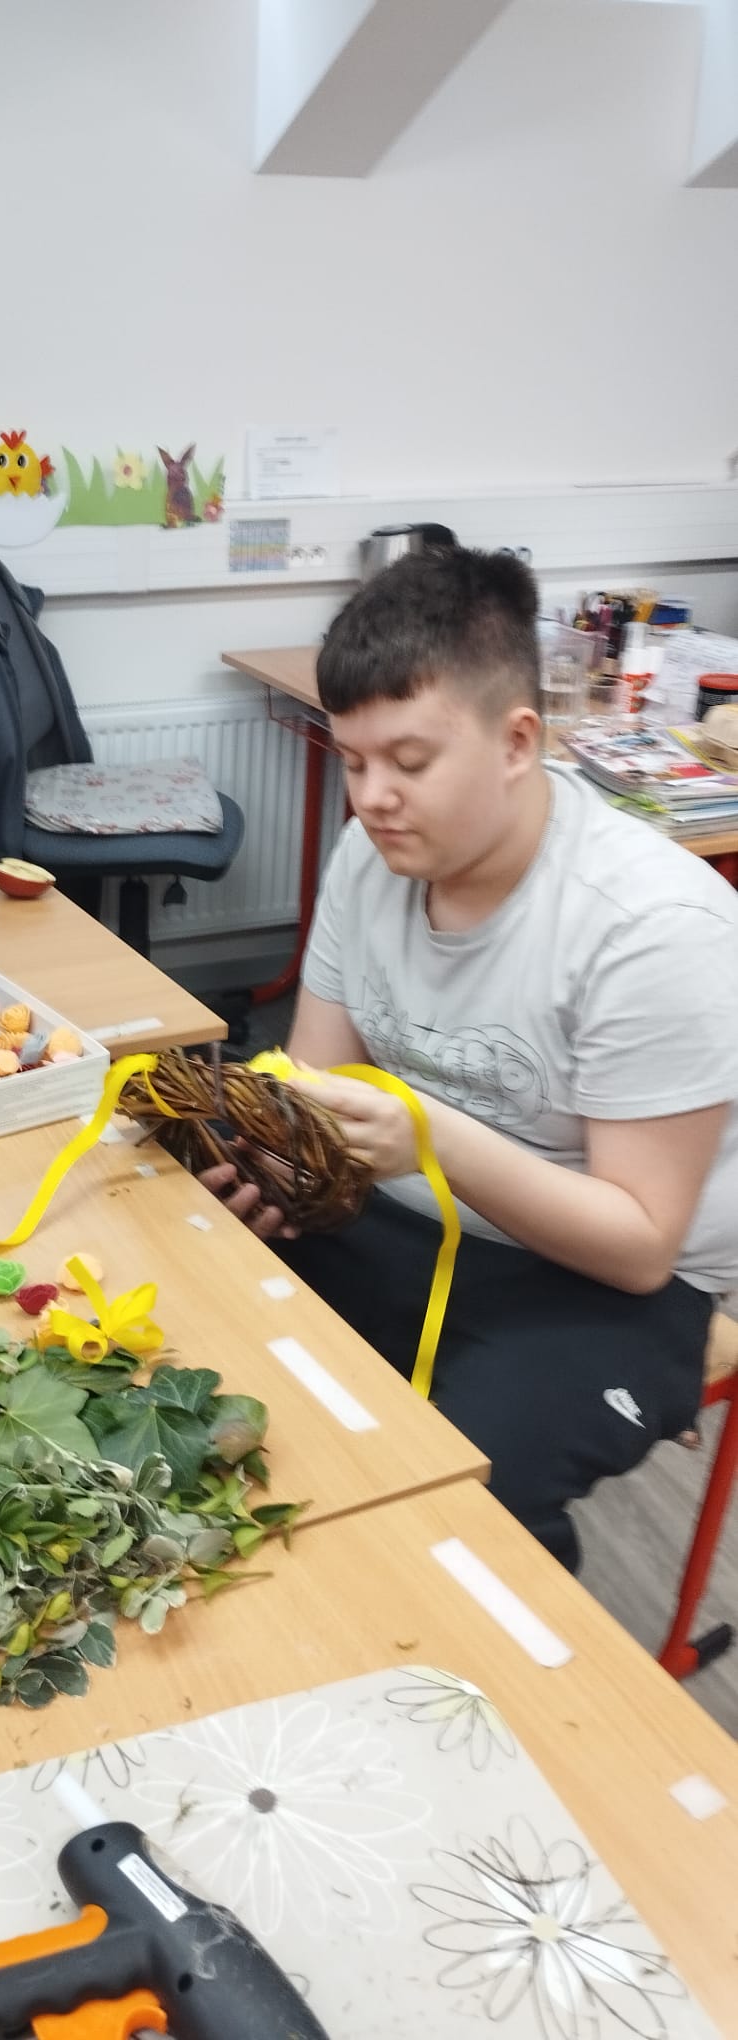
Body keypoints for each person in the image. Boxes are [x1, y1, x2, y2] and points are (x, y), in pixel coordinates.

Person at [205, 547, 738, 1570]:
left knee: (461, 1503)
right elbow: (316, 1086)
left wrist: (429, 1139)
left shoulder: (654, 926)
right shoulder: (370, 857)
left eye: (408, 763)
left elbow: (638, 1246)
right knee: (195, 1278)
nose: (371, 798)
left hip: (600, 1283)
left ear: (515, 741)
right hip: (402, 1210)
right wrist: (272, 1163)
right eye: (352, 761)